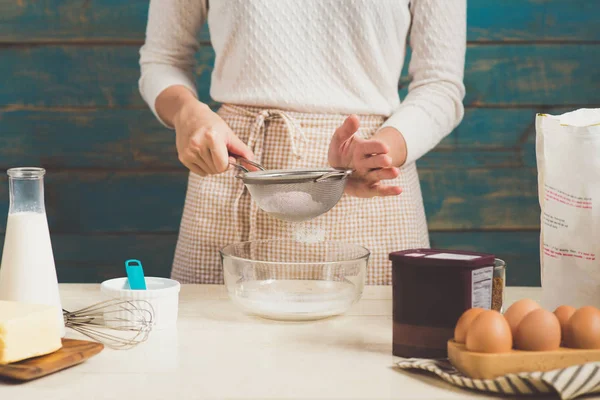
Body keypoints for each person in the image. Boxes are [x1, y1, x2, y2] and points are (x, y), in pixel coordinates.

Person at [139, 0, 466, 285]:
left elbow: (440, 84)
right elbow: (163, 60)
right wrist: (188, 114)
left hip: (370, 177)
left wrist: (383, 151)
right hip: (237, 168)